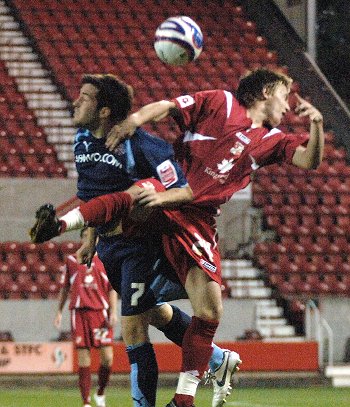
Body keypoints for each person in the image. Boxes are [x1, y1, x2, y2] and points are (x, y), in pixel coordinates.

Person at [100, 68, 325, 407]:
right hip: (166, 197)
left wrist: (318, 125)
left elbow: (309, 160)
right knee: (127, 227)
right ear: (265, 92)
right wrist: (134, 120)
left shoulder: (272, 139)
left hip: (197, 219)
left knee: (206, 311)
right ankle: (76, 225)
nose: (287, 105)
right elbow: (168, 106)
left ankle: (184, 398)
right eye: (284, 94)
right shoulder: (221, 102)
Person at [32, 74, 240, 407]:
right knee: (153, 313)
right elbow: (90, 194)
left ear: (104, 111)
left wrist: (150, 198)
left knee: (132, 331)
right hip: (109, 246)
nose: (75, 102)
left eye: (84, 97)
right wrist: (89, 239)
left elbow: (180, 189)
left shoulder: (145, 146)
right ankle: (216, 358)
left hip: (142, 246)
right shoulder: (81, 141)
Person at [54, 227, 118, 407]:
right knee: (84, 360)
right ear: (82, 238)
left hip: (101, 313)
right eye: (85, 236)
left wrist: (113, 312)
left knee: (107, 359)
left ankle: (100, 392)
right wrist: (59, 311)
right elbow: (65, 288)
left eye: (92, 237)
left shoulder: (105, 261)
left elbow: (112, 289)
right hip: (79, 313)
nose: (89, 239)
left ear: (97, 240)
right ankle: (86, 402)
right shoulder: (72, 261)